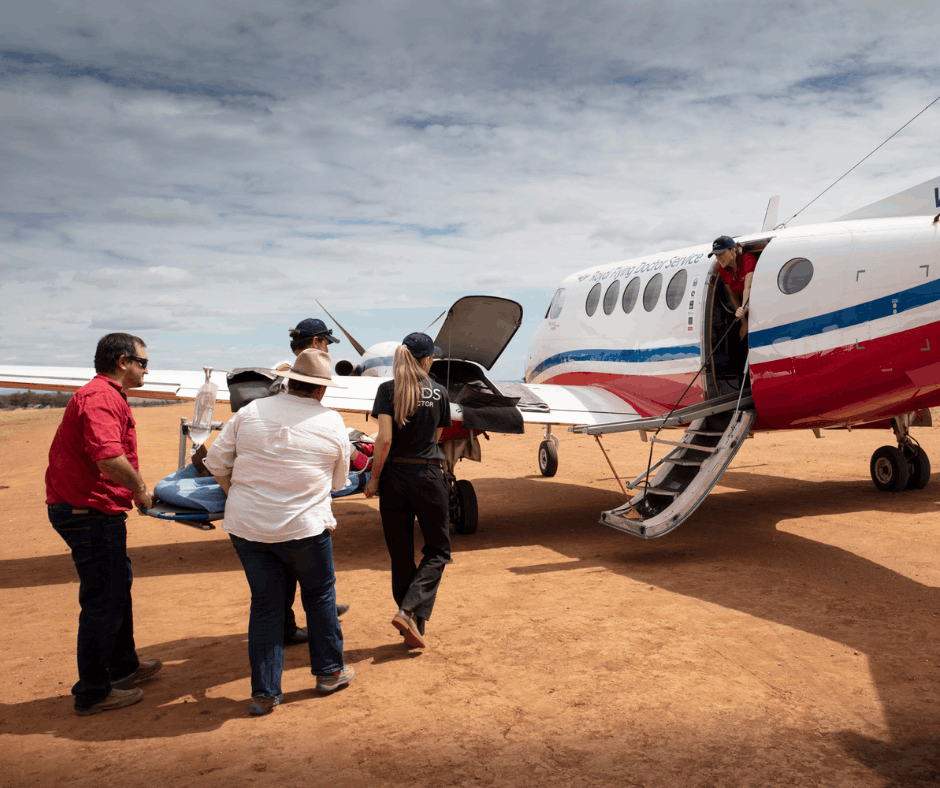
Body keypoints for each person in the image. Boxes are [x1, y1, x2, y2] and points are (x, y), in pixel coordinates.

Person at [204, 349, 354, 715]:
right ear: (320, 390)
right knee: (318, 598)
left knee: (266, 607)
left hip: (249, 529)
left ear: (289, 381)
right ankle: (329, 673)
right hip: (304, 528)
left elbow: (216, 462)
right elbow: (338, 481)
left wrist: (238, 497)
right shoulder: (332, 422)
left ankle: (265, 693)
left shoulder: (250, 412)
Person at [46, 333, 162, 716]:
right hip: (87, 512)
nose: (147, 368)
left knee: (118, 586)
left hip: (96, 509)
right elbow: (108, 458)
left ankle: (122, 667)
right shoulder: (100, 398)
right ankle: (93, 691)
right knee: (103, 601)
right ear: (123, 361)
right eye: (143, 362)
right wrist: (141, 489)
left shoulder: (108, 395)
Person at [364, 332, 452, 649]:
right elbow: (437, 438)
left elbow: (383, 439)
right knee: (438, 551)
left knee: (401, 555)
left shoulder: (388, 390)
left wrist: (374, 480)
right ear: (427, 359)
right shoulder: (440, 393)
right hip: (428, 474)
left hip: (394, 478)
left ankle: (410, 625)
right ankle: (409, 612)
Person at [277, 318, 348, 646]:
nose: (329, 350)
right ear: (318, 342)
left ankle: (307, 615)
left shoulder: (278, 370)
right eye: (328, 344)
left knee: (285, 569)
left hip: (280, 481)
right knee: (294, 566)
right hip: (293, 486)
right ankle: (295, 628)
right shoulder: (291, 375)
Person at [708, 235, 757, 340]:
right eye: (716, 255)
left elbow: (747, 287)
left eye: (721, 253)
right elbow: (732, 295)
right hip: (744, 308)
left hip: (756, 305)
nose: (718, 258)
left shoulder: (748, 259)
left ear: (733, 250)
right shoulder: (722, 269)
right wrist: (744, 322)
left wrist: (744, 307)